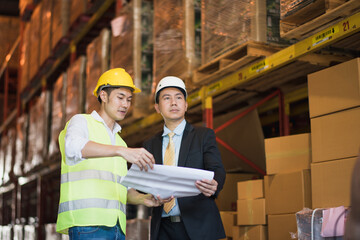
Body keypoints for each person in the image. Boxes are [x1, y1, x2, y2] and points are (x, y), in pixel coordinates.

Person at [56, 68, 166, 239]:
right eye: (120, 97)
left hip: (116, 227)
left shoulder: (120, 142)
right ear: (103, 96)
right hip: (87, 225)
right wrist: (121, 152)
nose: (125, 105)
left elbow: (123, 188)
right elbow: (72, 147)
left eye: (129, 100)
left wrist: (144, 199)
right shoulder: (81, 122)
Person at [143, 76, 226, 240]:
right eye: (166, 98)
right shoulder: (149, 145)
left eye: (179, 97)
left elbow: (217, 170)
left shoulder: (203, 136)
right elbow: (145, 184)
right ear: (157, 107)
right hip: (163, 229)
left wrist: (215, 184)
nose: (174, 102)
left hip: (198, 225)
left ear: (186, 105)